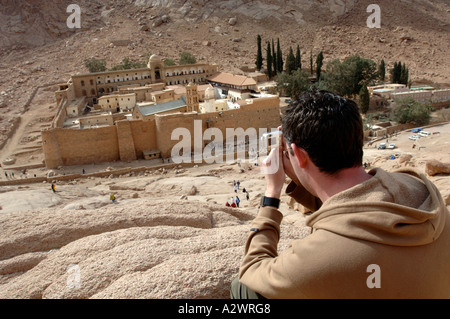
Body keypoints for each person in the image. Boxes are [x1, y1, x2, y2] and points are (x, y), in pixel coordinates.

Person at [231, 88, 450, 299]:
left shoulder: (316, 259)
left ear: (298, 155)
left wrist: (272, 194)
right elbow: (355, 209)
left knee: (242, 289)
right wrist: (302, 171)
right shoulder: (417, 188)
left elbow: (252, 271)